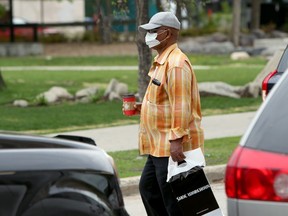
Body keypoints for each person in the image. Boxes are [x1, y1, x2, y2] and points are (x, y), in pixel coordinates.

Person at [133, 11, 204, 216]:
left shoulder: (176, 64)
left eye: (154, 31)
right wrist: (141, 107)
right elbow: (165, 100)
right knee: (149, 190)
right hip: (158, 145)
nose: (149, 36)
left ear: (168, 33)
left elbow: (181, 105)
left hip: (170, 145)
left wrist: (176, 140)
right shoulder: (162, 61)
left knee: (174, 200)